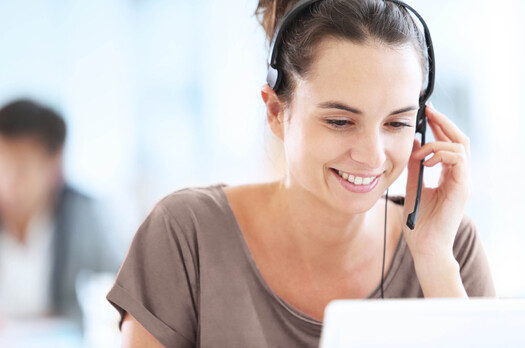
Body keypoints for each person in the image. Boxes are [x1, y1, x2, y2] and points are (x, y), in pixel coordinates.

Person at [107, 0, 495, 347]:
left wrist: (432, 259)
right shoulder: (186, 234)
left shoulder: (450, 245)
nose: (373, 155)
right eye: (341, 121)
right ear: (276, 112)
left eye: (396, 123)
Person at [0, 99, 121, 326]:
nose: (8, 182)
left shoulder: (86, 217)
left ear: (54, 165)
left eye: (22, 168)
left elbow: (122, 296)